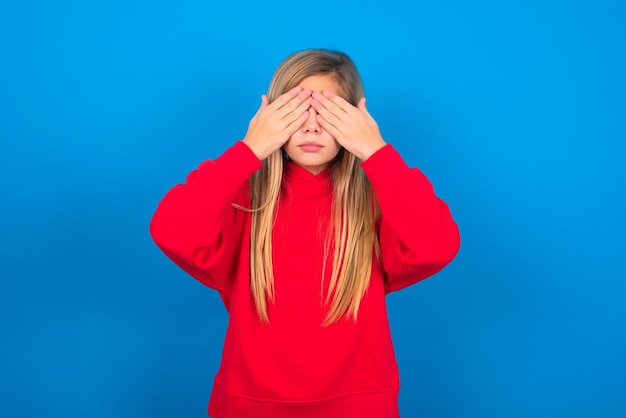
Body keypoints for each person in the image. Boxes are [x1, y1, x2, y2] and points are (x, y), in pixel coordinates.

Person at [150, 48, 460, 418]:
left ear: (356, 120)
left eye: (328, 114)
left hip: (360, 407)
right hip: (248, 406)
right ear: (269, 116)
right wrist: (250, 149)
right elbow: (171, 229)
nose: (311, 127)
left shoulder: (381, 204)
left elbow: (437, 244)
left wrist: (375, 151)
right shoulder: (241, 200)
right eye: (296, 112)